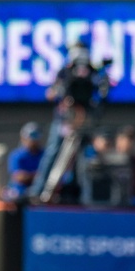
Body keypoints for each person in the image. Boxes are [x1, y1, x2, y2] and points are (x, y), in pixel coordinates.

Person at [31, 41, 111, 202]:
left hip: (85, 122)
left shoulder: (93, 72)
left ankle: (85, 196)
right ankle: (39, 190)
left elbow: (101, 94)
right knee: (53, 152)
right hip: (65, 120)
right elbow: (51, 93)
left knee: (85, 159)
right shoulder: (65, 72)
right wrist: (62, 94)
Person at [5, 121, 43, 201]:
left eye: (35, 136)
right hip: (19, 195)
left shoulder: (45, 155)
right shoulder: (16, 155)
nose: (32, 140)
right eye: (29, 136)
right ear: (23, 138)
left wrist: (30, 176)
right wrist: (37, 176)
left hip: (40, 193)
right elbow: (19, 177)